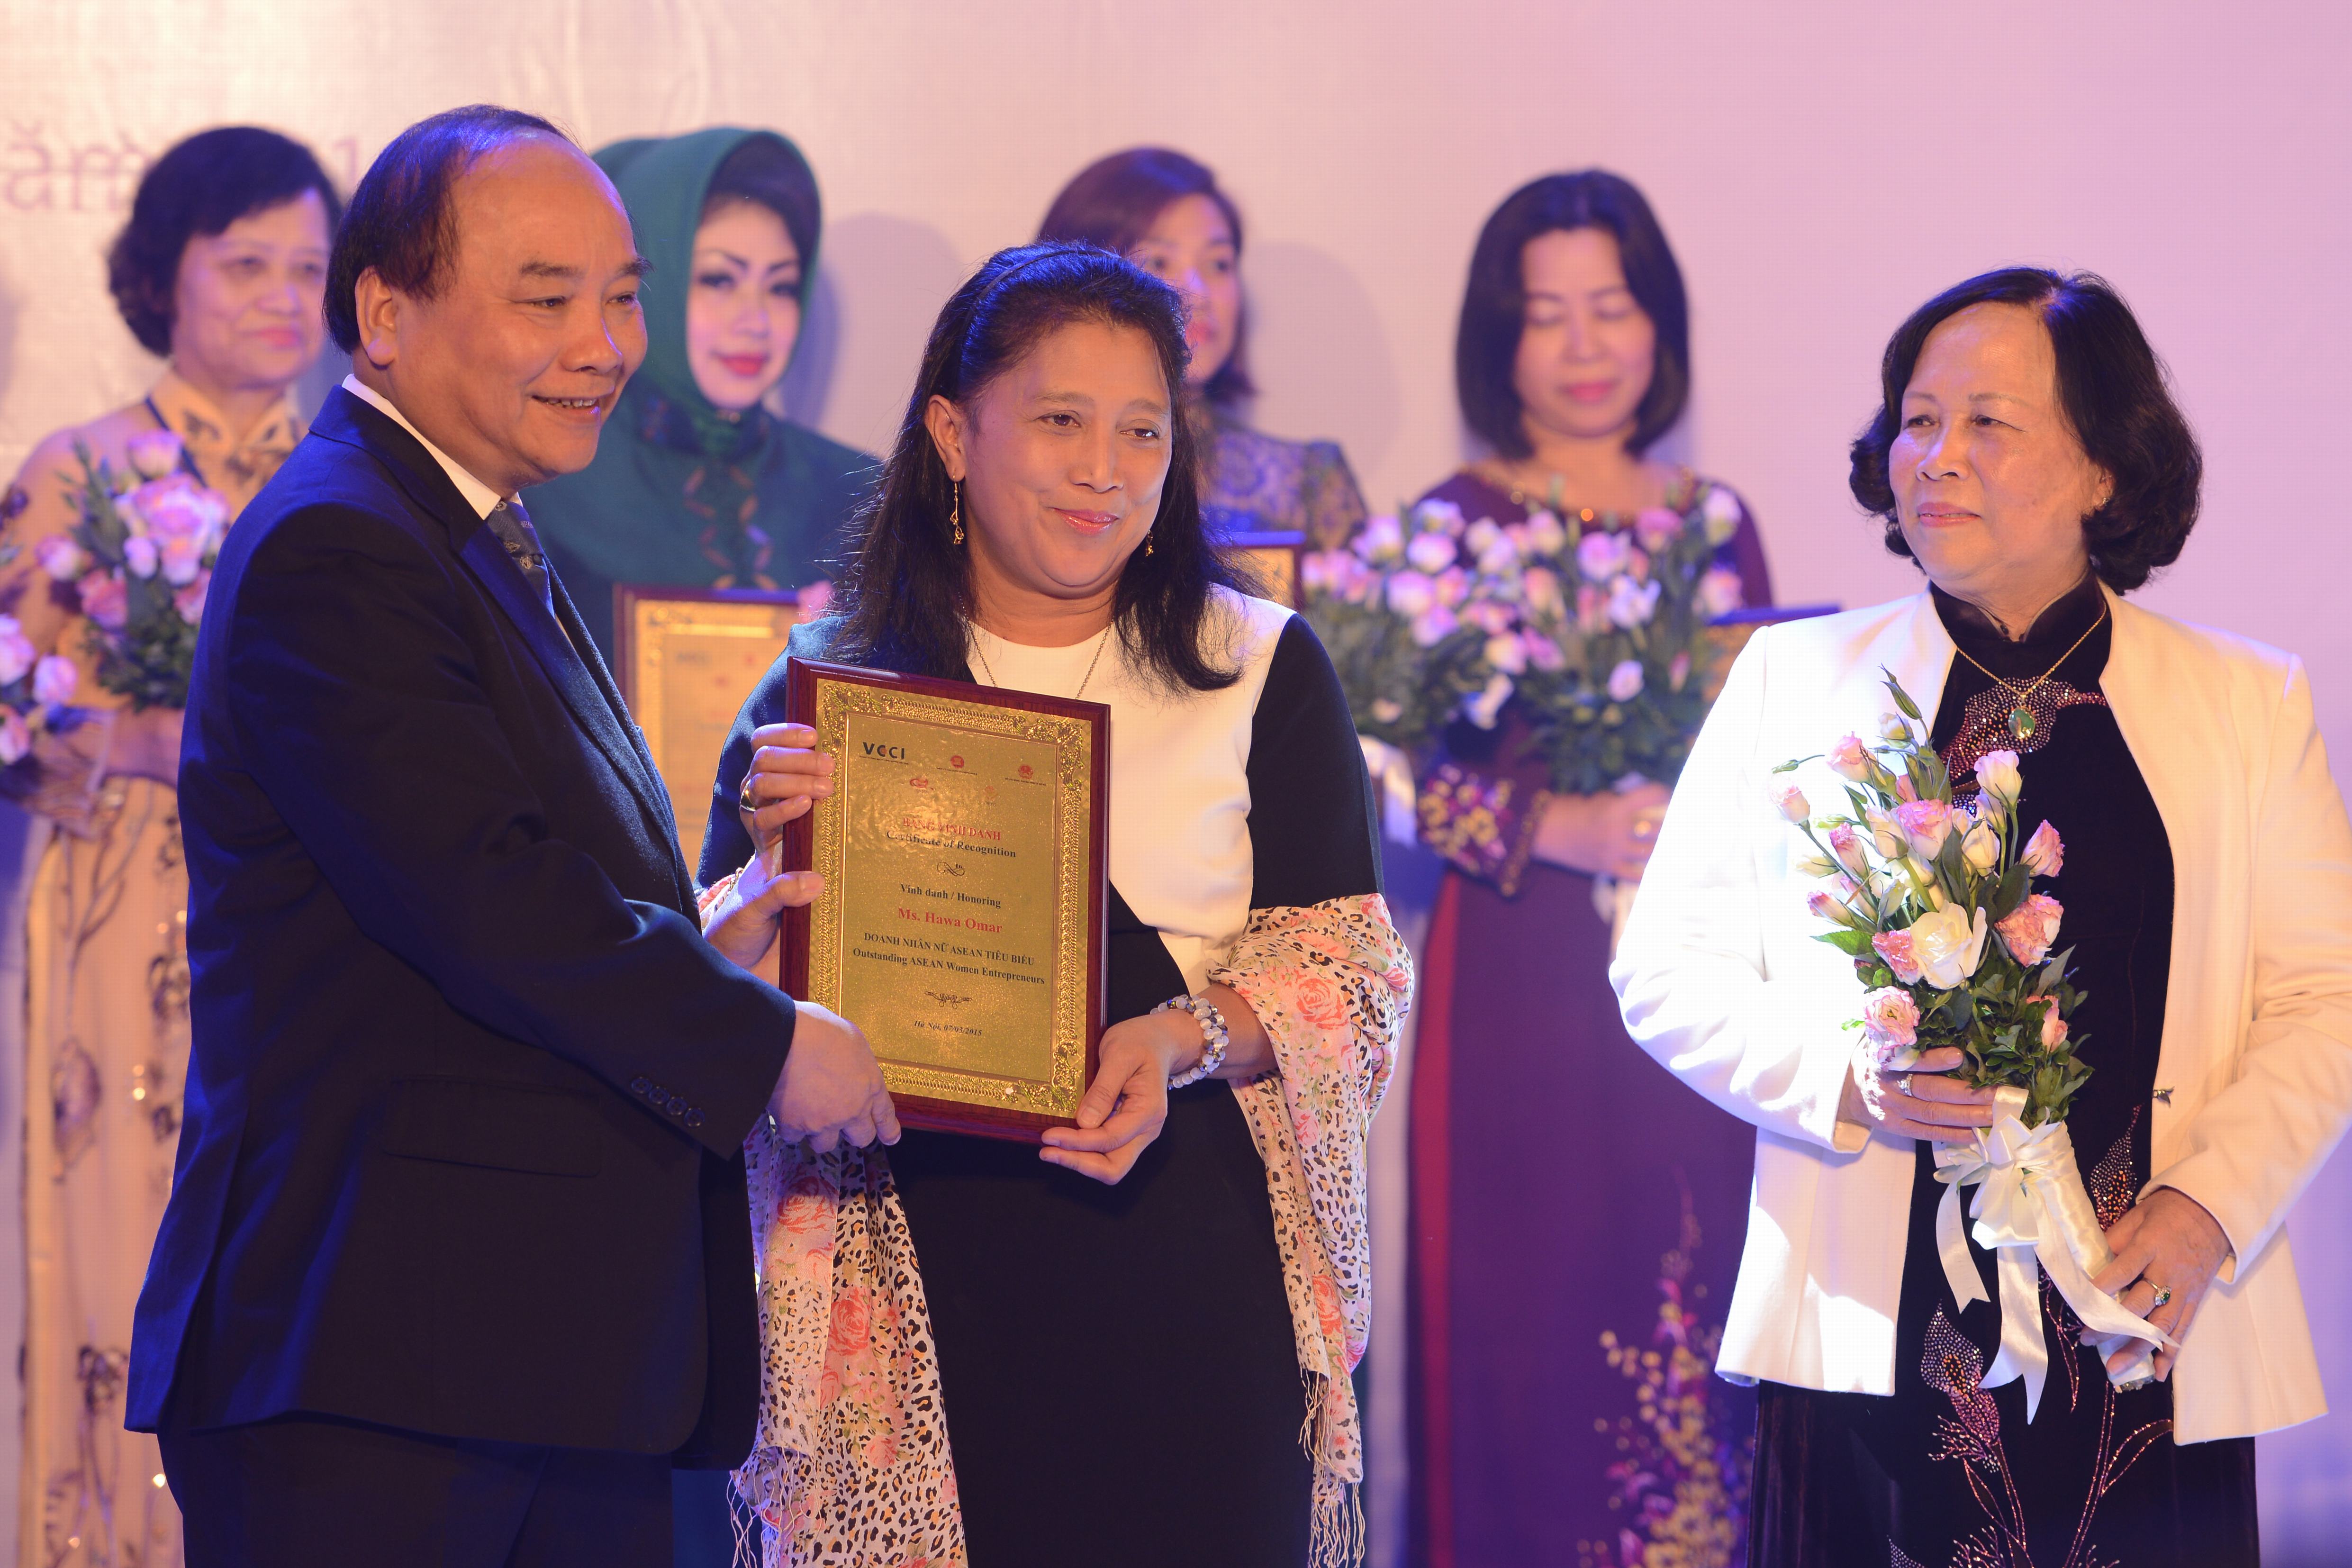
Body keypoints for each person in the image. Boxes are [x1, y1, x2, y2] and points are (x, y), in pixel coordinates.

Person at [125, 104, 896, 1566]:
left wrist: (704, 932)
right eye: (547, 300)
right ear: (384, 313)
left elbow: (492, 873)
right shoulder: (341, 543)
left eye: (622, 297)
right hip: (385, 1361)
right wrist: (758, 1039)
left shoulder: (464, 520)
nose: (603, 345)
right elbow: (484, 895)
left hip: (514, 1351)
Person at [1612, 267, 2352, 1567]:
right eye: (1917, 420)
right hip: (1872, 1327)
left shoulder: (2245, 701)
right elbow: (1665, 967)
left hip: (2145, 1314)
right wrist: (1844, 1076)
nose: (1935, 456)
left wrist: (2207, 1206)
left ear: (2102, 469)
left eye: (1988, 423)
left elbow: (2323, 995)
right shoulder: (1794, 680)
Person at [700, 243, 1412, 1568]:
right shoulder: (830, 687)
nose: (1105, 470)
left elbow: (1349, 976)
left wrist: (1180, 1036)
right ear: (952, 433)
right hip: (909, 1287)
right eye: (1061, 421)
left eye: (1143, 429)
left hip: (1190, 1286)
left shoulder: (1255, 662)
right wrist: (761, 882)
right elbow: (710, 1014)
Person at [1389, 170, 1773, 1568]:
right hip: (1520, 969)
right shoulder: (1448, 526)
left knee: (1693, 1266)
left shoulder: (1714, 523)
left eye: (1609, 306)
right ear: (1498, 342)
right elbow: (1377, 764)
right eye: (1545, 314)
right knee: (1525, 1291)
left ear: (1656, 321)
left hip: (1695, 966)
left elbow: (1770, 747)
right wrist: (1548, 822)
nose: (1583, 344)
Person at [0, 124, 340, 1568]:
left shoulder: (357, 478)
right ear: (166, 275)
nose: (282, 297)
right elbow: (13, 716)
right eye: (246, 263)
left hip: (320, 910)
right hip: (120, 896)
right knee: (118, 1236)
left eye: (308, 269)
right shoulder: (77, 472)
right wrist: (130, 737)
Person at [526, 127, 876, 662]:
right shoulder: (544, 488)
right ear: (643, 289)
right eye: (719, 280)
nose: (755, 321)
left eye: (780, 286)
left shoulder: (860, 495)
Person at [1039, 147, 1367, 548]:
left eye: (1218, 264)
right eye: (1160, 262)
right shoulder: (1028, 468)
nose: (1198, 295)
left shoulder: (1308, 484)